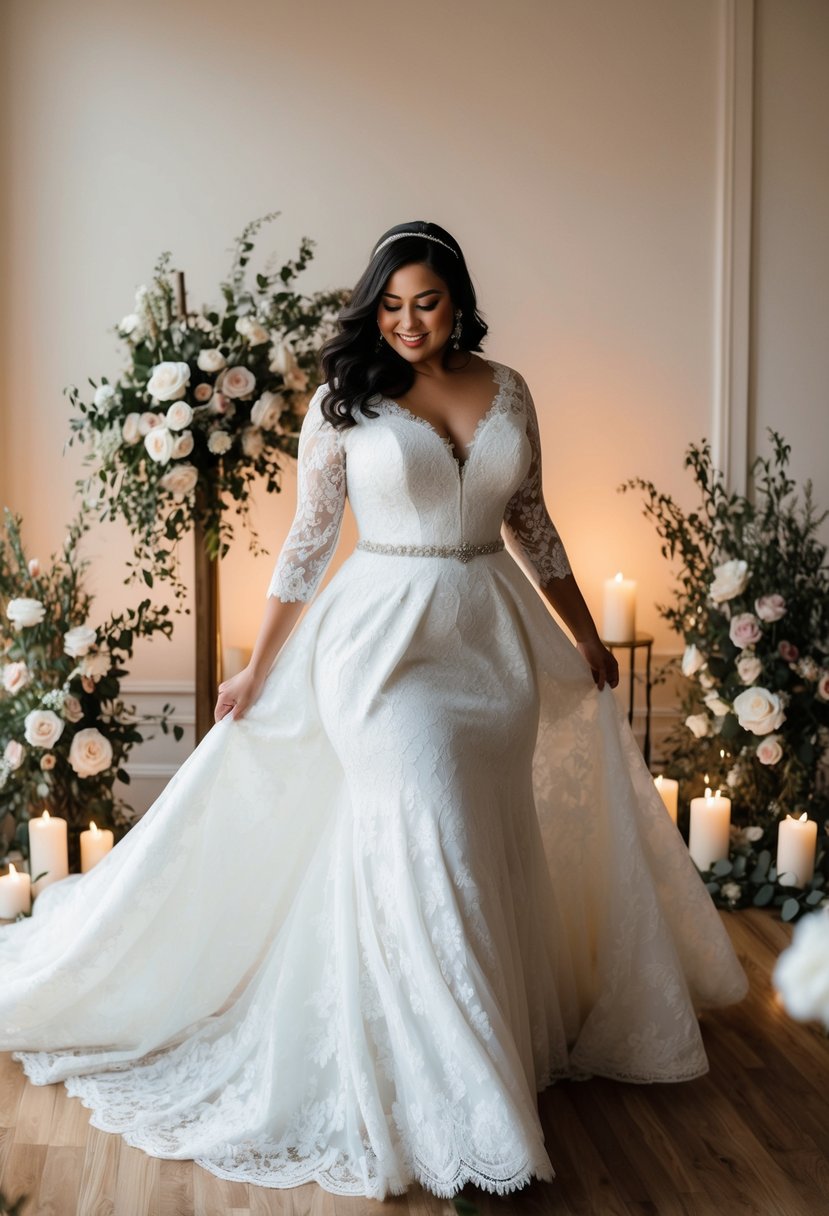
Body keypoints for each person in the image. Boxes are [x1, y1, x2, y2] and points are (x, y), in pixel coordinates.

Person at [0, 220, 749, 1202]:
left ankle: (482, 1049)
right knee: (423, 822)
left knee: (479, 842)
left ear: (457, 300)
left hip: (491, 642)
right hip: (381, 646)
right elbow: (310, 541)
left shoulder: (508, 387)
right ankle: (456, 1090)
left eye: (425, 302)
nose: (406, 321)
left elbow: (532, 521)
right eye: (389, 304)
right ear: (371, 307)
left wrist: (582, 633)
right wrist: (256, 667)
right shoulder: (343, 399)